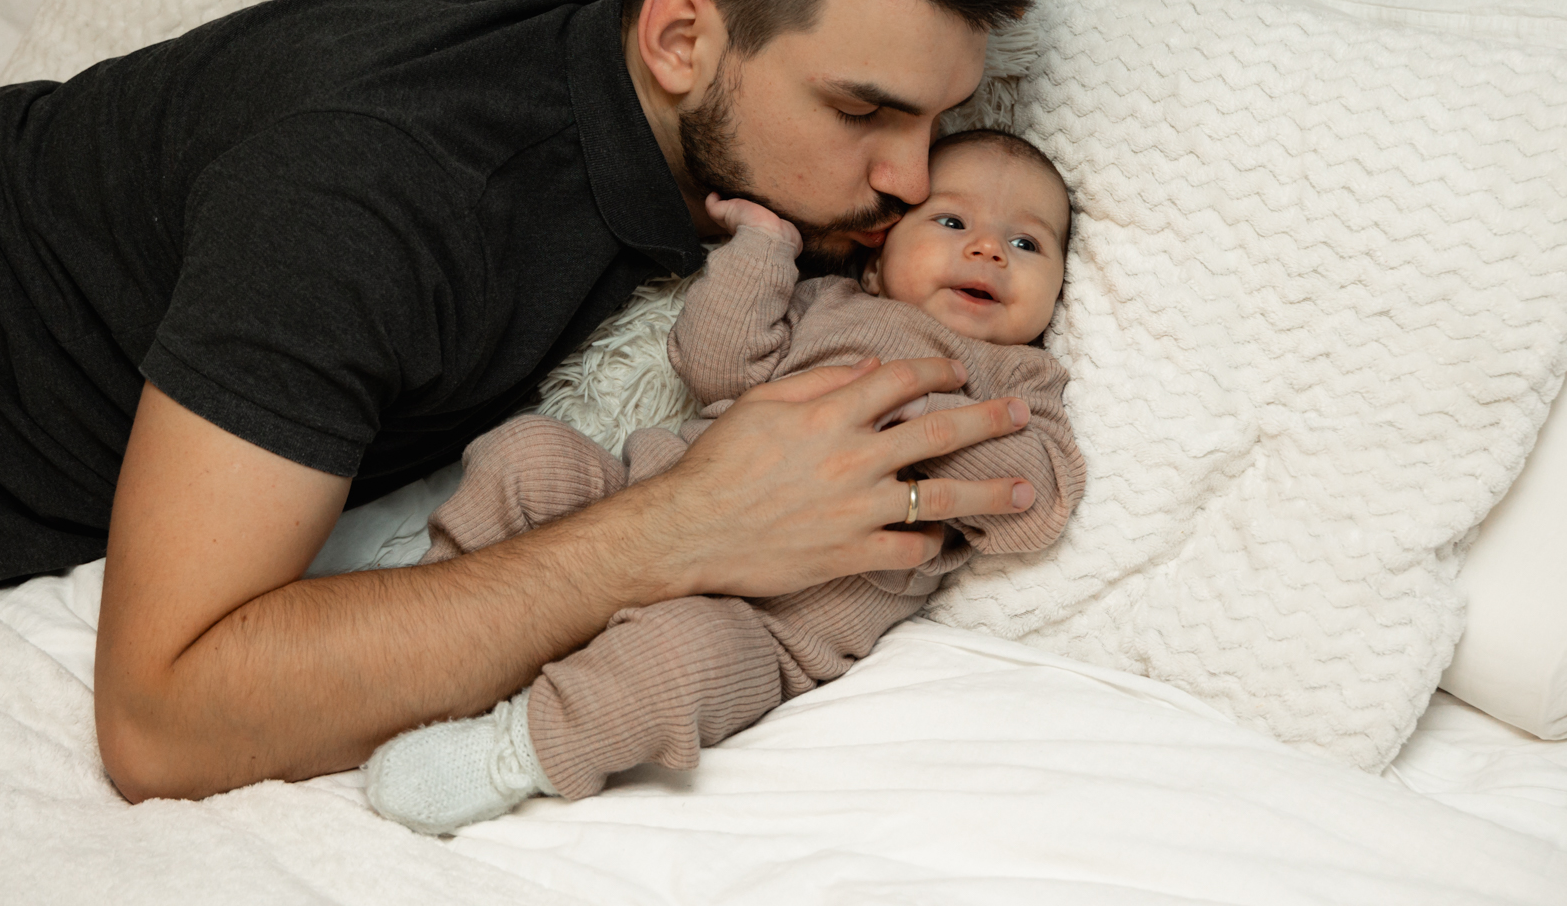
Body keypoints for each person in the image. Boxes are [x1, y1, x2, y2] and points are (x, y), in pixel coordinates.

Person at [0, 0, 1047, 802]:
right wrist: (686, 524)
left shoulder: (686, 127)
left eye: (939, 119)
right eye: (862, 111)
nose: (910, 178)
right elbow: (161, 718)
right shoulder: (381, 195)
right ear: (679, 40)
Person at [364, 129, 1085, 832]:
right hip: (642, 500)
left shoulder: (1022, 379)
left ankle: (510, 752)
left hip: (765, 622)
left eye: (1027, 243)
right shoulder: (827, 304)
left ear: (1057, 291)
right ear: (876, 261)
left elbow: (1038, 502)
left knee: (674, 659)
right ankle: (436, 621)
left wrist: (930, 420)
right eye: (952, 222)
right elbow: (716, 365)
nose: (989, 249)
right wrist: (764, 251)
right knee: (530, 452)